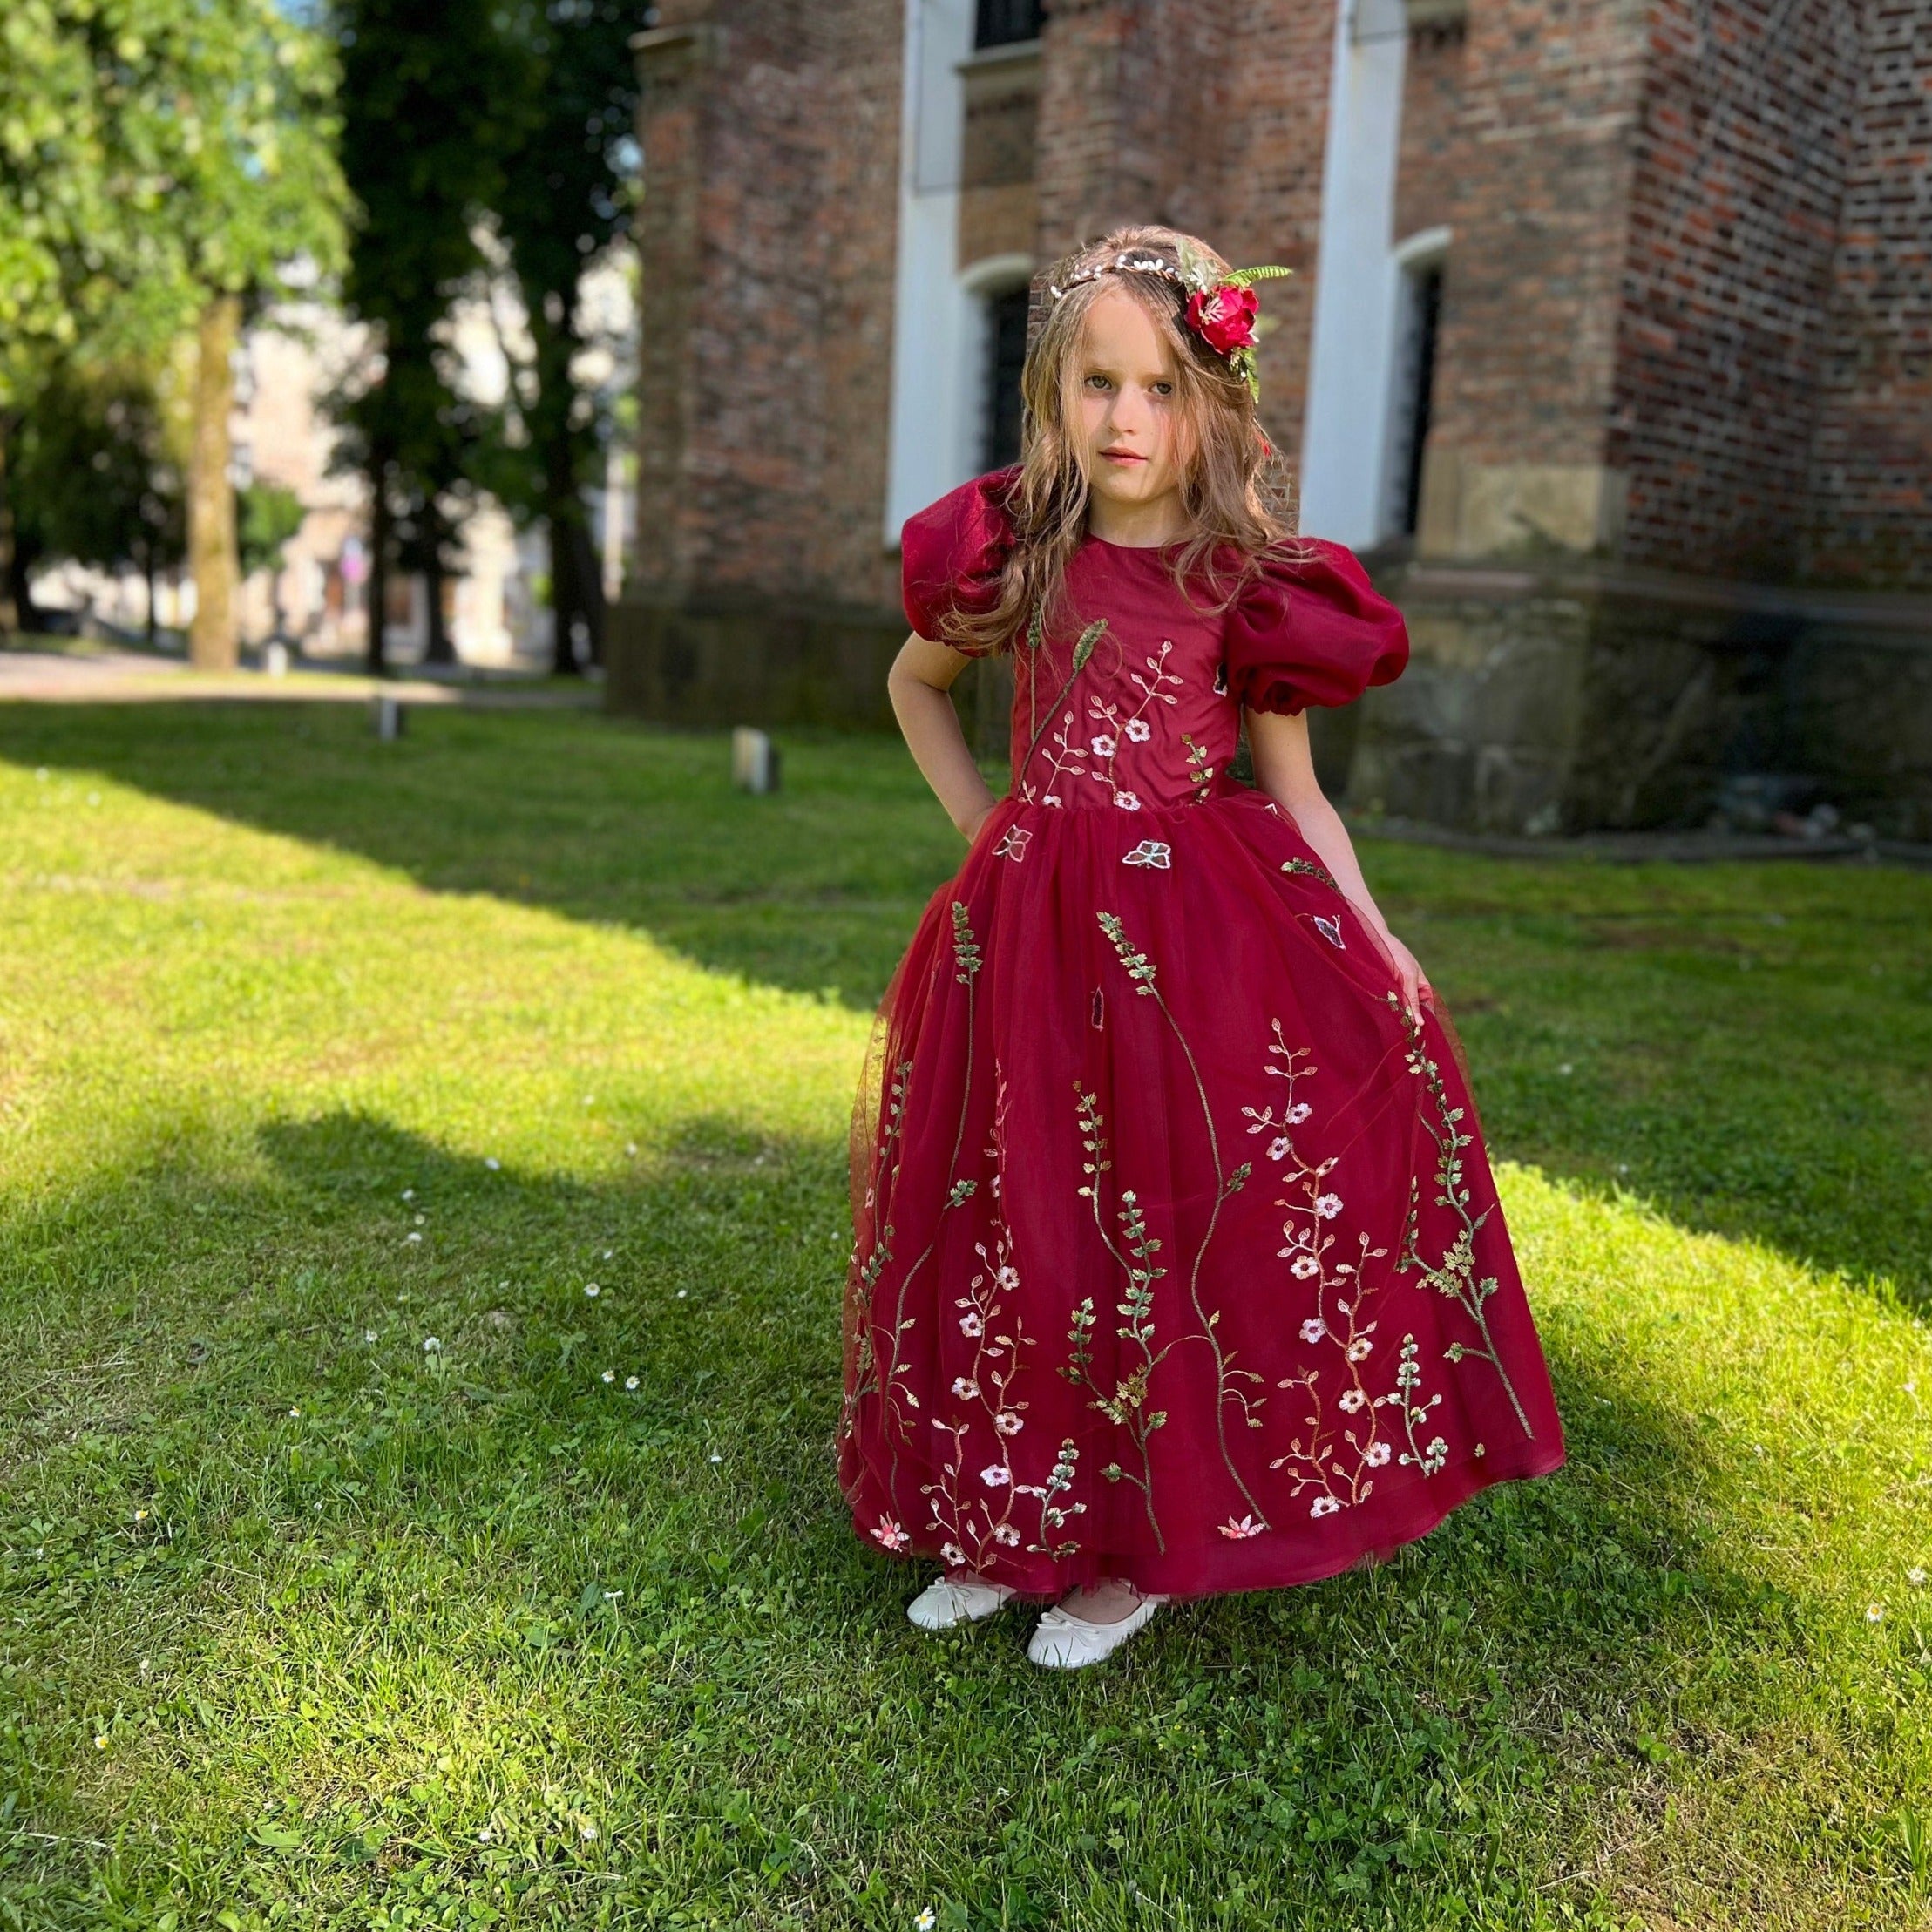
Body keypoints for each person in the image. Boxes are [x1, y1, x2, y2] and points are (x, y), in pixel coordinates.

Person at [839, 225, 1565, 1670]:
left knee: (1147, 1230)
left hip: (1182, 946)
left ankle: (1126, 1554)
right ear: (1052, 393)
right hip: (1023, 934)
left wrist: (1374, 934)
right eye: (1099, 383)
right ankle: (1000, 1517)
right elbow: (914, 686)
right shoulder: (1016, 554)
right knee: (1008, 1212)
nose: (1126, 418)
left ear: (1211, 401)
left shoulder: (1243, 583)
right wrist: (992, 828)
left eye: (1162, 386)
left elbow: (1294, 791)